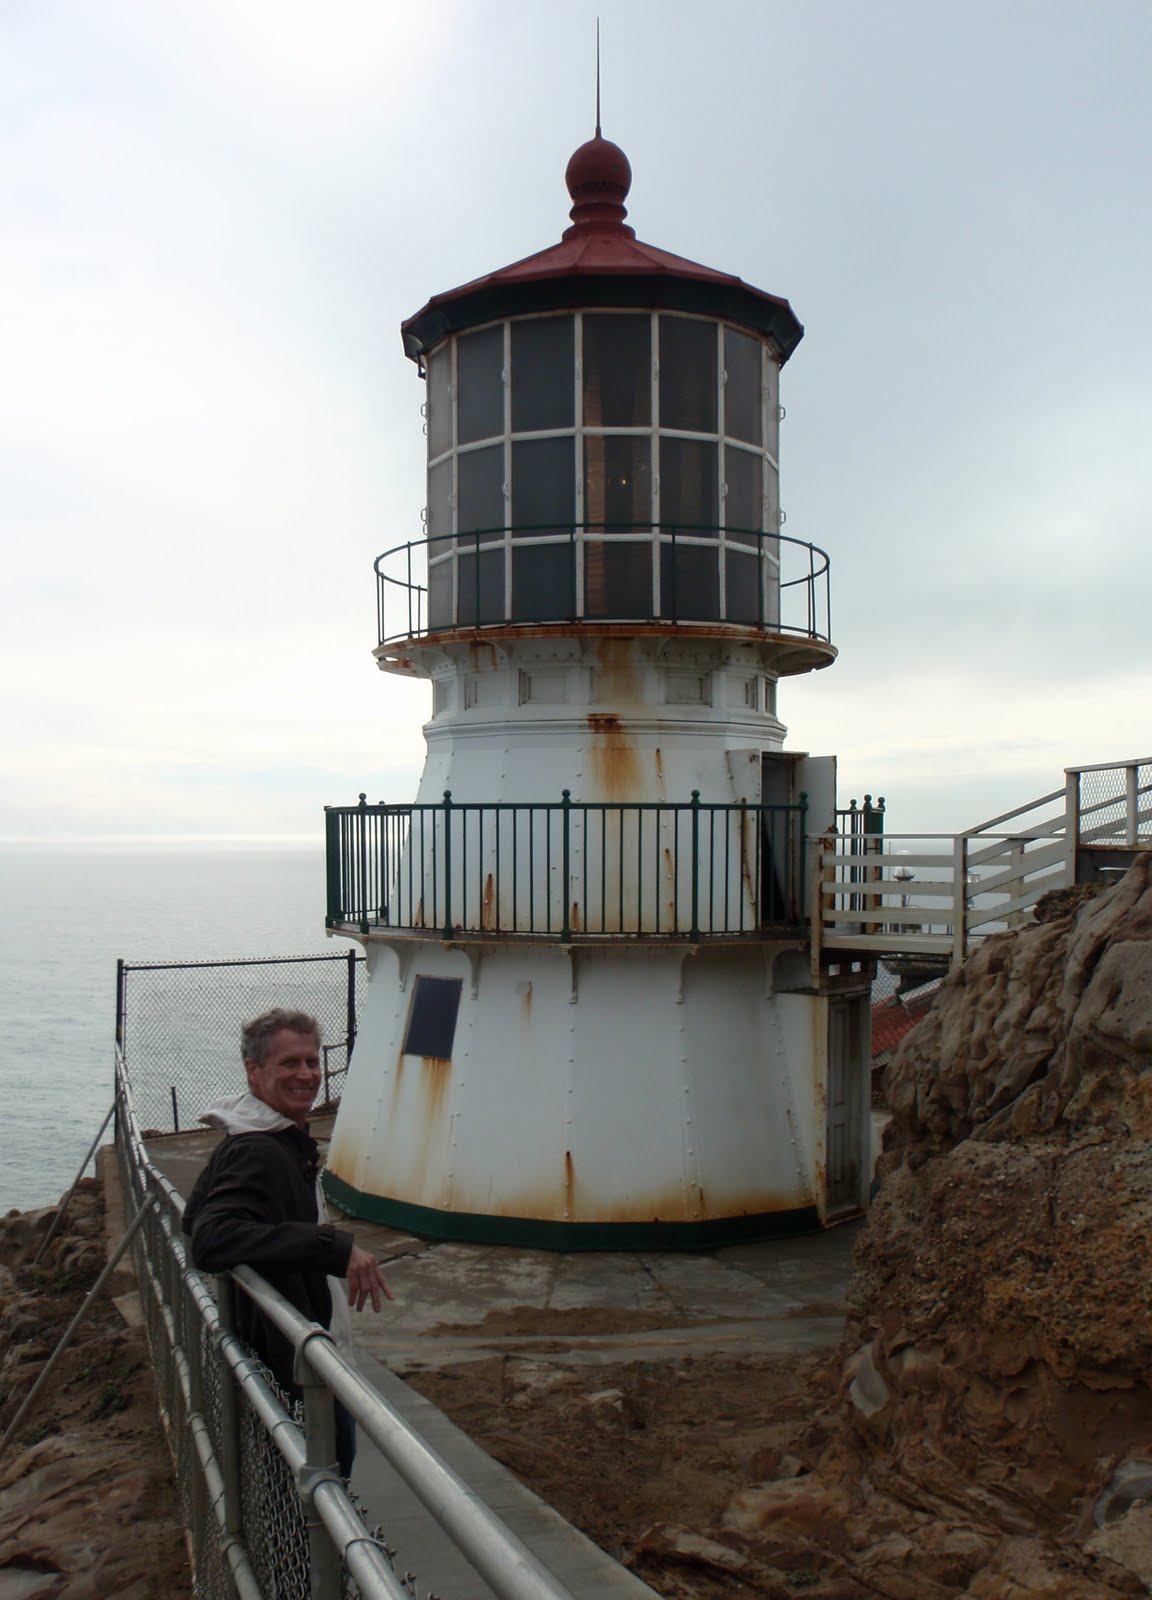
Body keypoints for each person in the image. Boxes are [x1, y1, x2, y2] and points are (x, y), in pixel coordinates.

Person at [183, 1008, 390, 1477]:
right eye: (290, 1064)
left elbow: (193, 1218)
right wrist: (332, 1246)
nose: (307, 1075)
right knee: (324, 1488)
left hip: (292, 1357)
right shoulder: (258, 1148)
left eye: (313, 1062)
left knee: (308, 1491)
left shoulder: (266, 1137)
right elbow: (210, 1236)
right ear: (253, 1072)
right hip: (297, 1366)